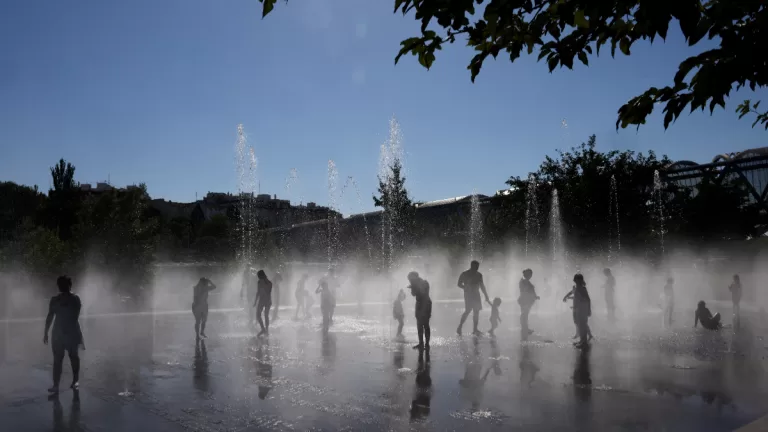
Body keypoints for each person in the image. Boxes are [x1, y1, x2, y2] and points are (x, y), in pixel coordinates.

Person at [43, 276, 84, 393]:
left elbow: (74, 317)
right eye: (60, 284)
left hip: (71, 332)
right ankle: (56, 385)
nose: (61, 286)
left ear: (70, 285)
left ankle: (75, 380)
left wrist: (78, 335)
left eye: (64, 284)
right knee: (57, 360)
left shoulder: (75, 299)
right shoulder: (54, 300)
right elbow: (50, 316)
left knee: (73, 357)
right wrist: (45, 332)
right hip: (57, 333)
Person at [457, 260, 492, 336]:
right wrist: (465, 288)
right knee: (468, 311)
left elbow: (482, 286)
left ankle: (475, 329)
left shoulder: (479, 275)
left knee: (476, 312)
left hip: (476, 295)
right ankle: (460, 327)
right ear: (472, 266)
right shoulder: (464, 274)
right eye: (476, 266)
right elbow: (459, 284)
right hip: (468, 295)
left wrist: (486, 295)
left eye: (478, 267)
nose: (477, 268)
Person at [563, 273, 592, 348]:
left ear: (580, 280)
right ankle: (582, 341)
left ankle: (584, 342)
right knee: (580, 325)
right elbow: (572, 293)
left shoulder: (582, 288)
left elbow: (588, 299)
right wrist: (565, 297)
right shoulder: (576, 288)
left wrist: (589, 310)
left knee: (582, 325)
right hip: (578, 309)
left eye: (577, 279)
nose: (575, 281)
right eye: (575, 279)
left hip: (582, 309)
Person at [408, 272, 432, 350]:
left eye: (410, 279)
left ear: (414, 277)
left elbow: (422, 293)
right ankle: (421, 343)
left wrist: (414, 287)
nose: (410, 281)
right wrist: (412, 287)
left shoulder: (424, 282)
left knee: (425, 324)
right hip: (419, 304)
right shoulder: (417, 283)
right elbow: (413, 294)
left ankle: (427, 344)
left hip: (425, 304)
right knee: (419, 324)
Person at [518, 269, 539, 336]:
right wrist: (534, 296)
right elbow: (526, 291)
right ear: (528, 275)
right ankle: (524, 329)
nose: (531, 276)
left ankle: (525, 328)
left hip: (525, 300)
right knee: (524, 314)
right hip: (525, 300)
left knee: (525, 315)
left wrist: (535, 296)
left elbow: (528, 290)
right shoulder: (524, 281)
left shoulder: (524, 281)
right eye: (531, 274)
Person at [253, 270, 273, 337]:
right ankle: (265, 330)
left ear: (261, 276)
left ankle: (264, 330)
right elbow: (260, 292)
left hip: (264, 301)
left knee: (261, 315)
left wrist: (255, 302)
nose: (258, 277)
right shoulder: (269, 283)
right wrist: (255, 302)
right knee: (263, 315)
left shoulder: (265, 283)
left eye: (258, 276)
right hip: (266, 301)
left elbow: (261, 293)